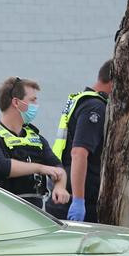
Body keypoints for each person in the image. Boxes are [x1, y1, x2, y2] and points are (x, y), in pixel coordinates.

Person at [0, 77, 70, 210]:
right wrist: (40, 168)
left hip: (34, 213)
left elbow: (57, 167)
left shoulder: (36, 138)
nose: (36, 104)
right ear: (16, 102)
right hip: (1, 212)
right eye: (32, 100)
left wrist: (60, 187)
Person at [46, 59, 113, 223]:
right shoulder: (95, 107)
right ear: (114, 82)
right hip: (75, 200)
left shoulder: (80, 100)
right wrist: (79, 201)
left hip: (63, 192)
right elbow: (79, 153)